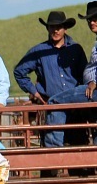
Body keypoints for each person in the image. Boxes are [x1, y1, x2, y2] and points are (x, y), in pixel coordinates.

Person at [14, 11, 91, 148]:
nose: (55, 30)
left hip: (75, 109)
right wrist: (35, 92)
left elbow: (86, 75)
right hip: (51, 108)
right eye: (52, 27)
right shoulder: (39, 51)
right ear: (47, 28)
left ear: (65, 28)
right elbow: (19, 72)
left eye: (59, 27)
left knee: (78, 148)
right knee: (51, 149)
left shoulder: (76, 49)